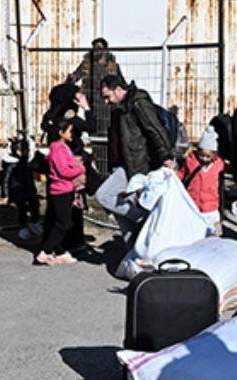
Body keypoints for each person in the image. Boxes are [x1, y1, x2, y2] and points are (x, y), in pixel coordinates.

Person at [98, 75, 174, 243]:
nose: (106, 101)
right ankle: (132, 250)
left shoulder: (138, 104)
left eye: (107, 96)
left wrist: (166, 157)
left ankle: (143, 219)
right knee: (118, 207)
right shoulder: (121, 108)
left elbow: (155, 130)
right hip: (127, 163)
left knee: (104, 196)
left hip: (140, 164)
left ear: (119, 89)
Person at [36, 118, 84, 266]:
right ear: (61, 132)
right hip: (60, 190)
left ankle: (59, 250)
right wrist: (80, 169)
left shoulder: (63, 148)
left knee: (64, 221)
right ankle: (46, 250)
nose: (72, 134)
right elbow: (64, 171)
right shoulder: (57, 149)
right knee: (62, 223)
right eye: (69, 131)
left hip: (65, 189)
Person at [177, 126, 225, 235]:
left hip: (211, 207)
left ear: (214, 155)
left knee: (214, 235)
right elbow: (181, 173)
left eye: (208, 156)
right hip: (193, 204)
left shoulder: (219, 164)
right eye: (201, 155)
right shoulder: (190, 160)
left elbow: (229, 169)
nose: (204, 159)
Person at [2, 136, 42, 240]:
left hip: (28, 188)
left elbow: (29, 176)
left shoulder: (25, 162)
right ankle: (23, 227)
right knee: (22, 207)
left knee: (35, 203)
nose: (26, 152)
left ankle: (34, 222)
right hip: (16, 190)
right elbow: (5, 179)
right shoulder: (11, 163)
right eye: (24, 150)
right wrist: (5, 194)